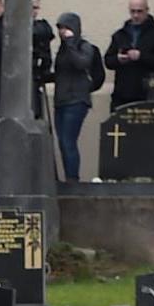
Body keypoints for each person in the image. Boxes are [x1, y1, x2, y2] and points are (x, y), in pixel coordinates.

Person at [49, 12, 105, 180]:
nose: (63, 31)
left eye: (66, 27)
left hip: (76, 100)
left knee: (68, 141)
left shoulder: (83, 46)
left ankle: (73, 179)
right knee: (62, 143)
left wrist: (71, 43)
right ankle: (69, 177)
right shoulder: (62, 50)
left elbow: (81, 63)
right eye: (60, 28)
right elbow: (60, 73)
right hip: (61, 100)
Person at [103, 0, 154, 106]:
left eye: (139, 11)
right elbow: (108, 61)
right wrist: (118, 59)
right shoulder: (120, 35)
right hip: (121, 94)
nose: (136, 15)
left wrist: (141, 57)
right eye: (132, 11)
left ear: (147, 10)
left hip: (148, 95)